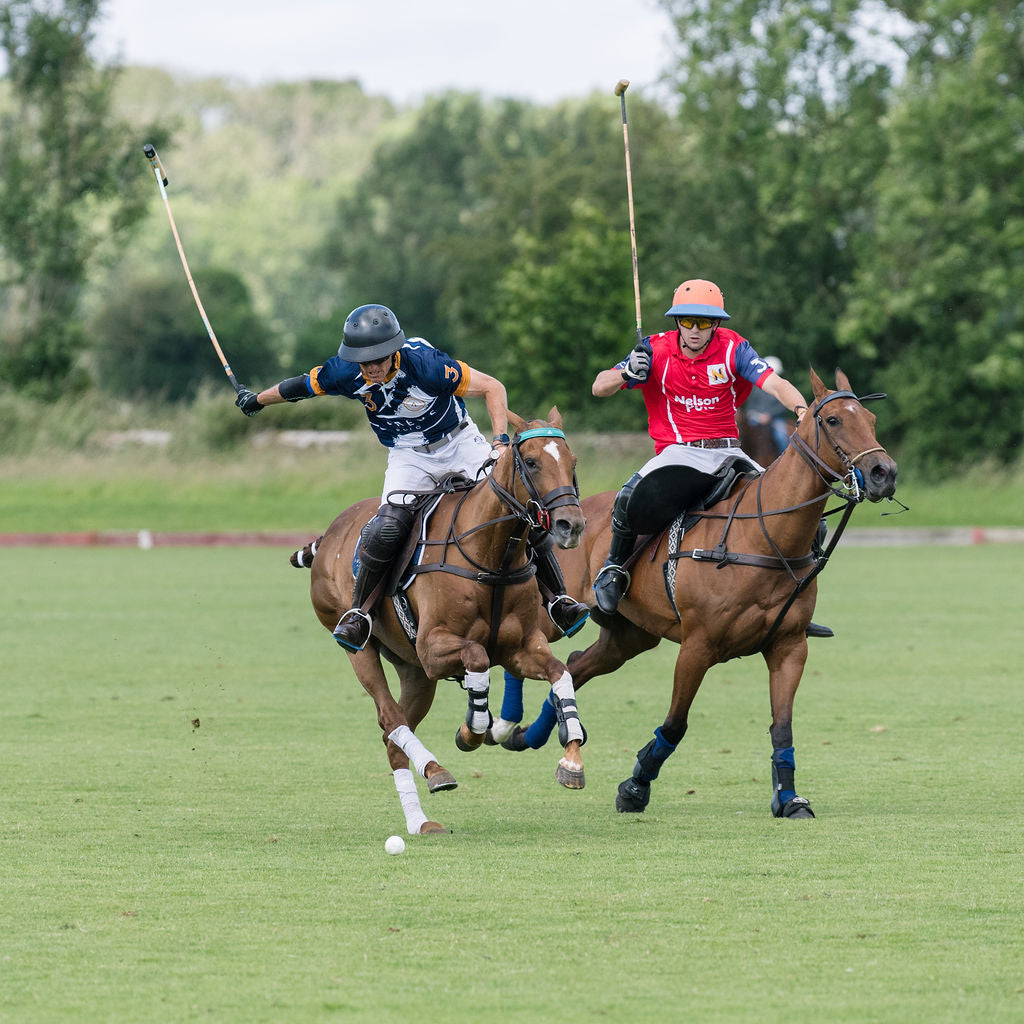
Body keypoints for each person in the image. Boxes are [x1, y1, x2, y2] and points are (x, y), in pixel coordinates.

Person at [235, 303, 589, 651]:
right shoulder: (344, 371)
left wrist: (498, 440)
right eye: (364, 360)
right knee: (388, 526)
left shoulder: (426, 363)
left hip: (459, 443)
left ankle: (557, 599)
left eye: (379, 358)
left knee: (518, 507)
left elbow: (492, 388)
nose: (371, 367)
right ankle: (361, 612)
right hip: (408, 457)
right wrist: (258, 400)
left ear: (394, 351)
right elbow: (299, 387)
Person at [589, 279, 832, 638]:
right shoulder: (654, 349)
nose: (695, 330)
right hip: (678, 452)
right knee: (627, 498)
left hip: (729, 451)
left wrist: (802, 410)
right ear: (677, 322)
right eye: (687, 321)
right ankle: (614, 569)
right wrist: (626, 372)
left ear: (716, 324)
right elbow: (599, 386)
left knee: (806, 516)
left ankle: (792, 597)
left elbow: (774, 383)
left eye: (704, 323)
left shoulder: (733, 347)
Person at [741, 355, 792, 458]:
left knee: (781, 437)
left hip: (775, 419)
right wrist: (751, 412)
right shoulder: (756, 387)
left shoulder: (781, 388)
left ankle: (784, 459)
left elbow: (782, 406)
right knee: (743, 432)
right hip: (756, 418)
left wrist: (769, 415)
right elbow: (751, 404)